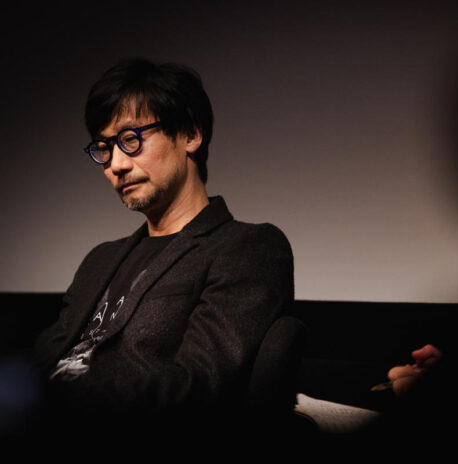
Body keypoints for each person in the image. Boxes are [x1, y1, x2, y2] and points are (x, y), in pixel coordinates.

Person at [30, 58, 294, 443]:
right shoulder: (100, 258)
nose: (116, 165)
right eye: (104, 148)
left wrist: (58, 400)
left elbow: (198, 385)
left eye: (130, 139)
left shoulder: (248, 248)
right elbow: (45, 354)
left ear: (189, 134)